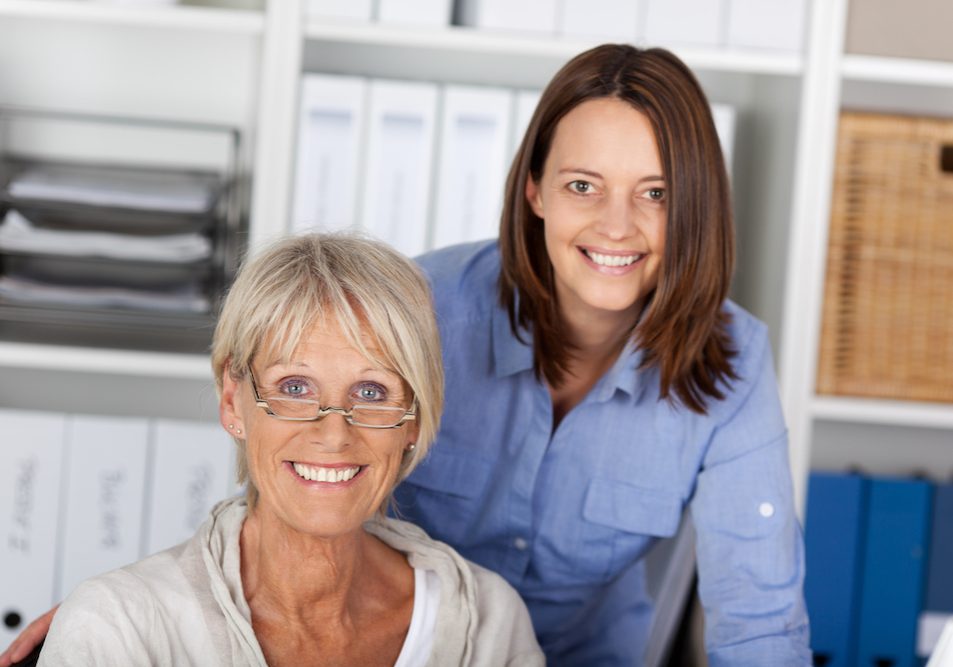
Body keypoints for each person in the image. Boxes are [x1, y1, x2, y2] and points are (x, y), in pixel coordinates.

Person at [1, 44, 810, 667]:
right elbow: (295, 456)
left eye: (656, 192)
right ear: (532, 190)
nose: (617, 225)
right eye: (582, 185)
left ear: (696, 203)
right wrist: (137, 615)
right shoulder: (419, 308)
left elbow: (760, 616)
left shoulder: (733, 364)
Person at [32, 233, 544, 667]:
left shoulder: (489, 626)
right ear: (234, 401)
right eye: (295, 387)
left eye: (371, 392)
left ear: (413, 418)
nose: (333, 433)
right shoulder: (119, 631)